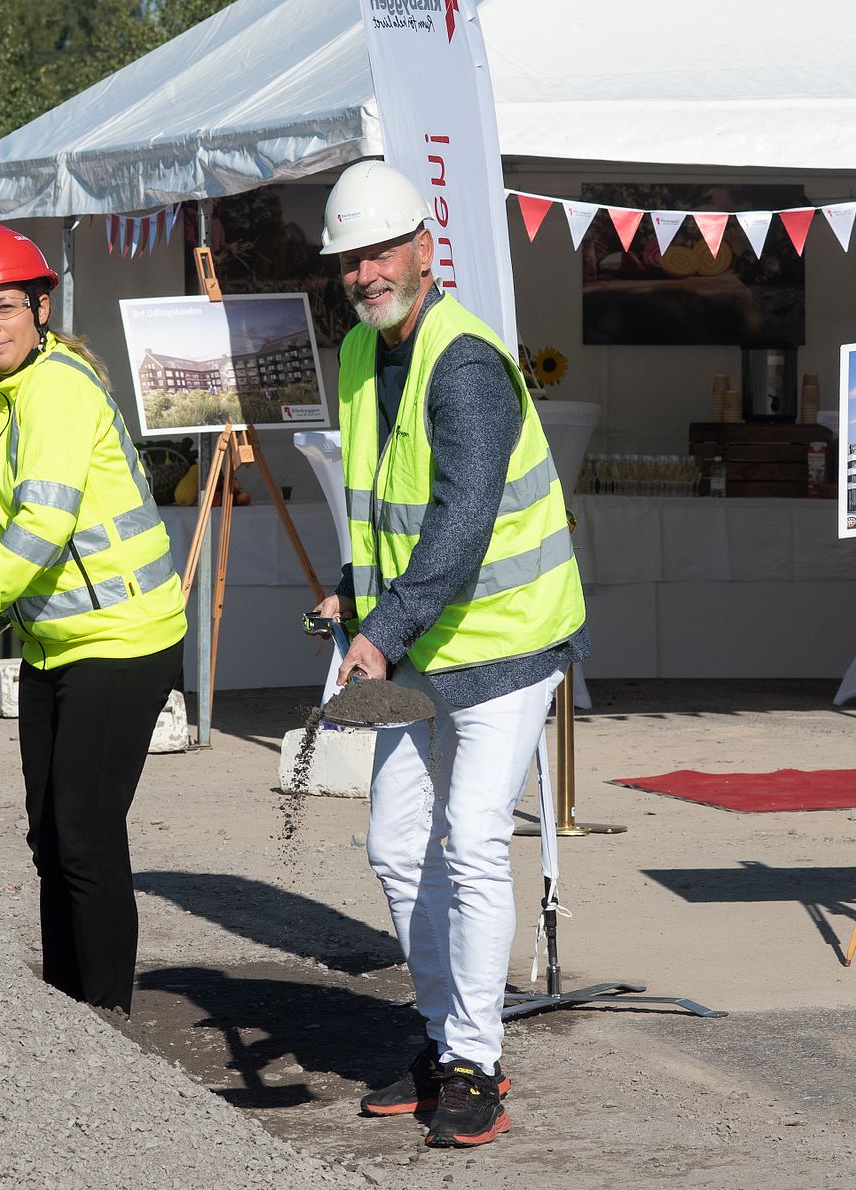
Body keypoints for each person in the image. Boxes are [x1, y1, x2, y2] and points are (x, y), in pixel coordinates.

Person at [312, 161, 589, 1148]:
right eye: (352, 258)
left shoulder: (465, 362)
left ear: (425, 249)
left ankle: (478, 1061)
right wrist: (354, 585)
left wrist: (381, 636)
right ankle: (439, 1038)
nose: (367, 271)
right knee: (394, 843)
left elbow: (464, 516)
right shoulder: (355, 353)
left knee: (471, 840)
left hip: (505, 640)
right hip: (422, 642)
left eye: (382, 250)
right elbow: (385, 493)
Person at [0, 225, 186, 1015]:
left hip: (125, 639)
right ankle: (66, 1016)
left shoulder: (58, 389)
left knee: (86, 833)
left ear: (41, 306)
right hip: (56, 644)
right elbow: (21, 543)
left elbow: (40, 529)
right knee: (49, 837)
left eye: (5, 306)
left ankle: (105, 1021)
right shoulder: (1, 404)